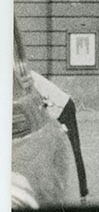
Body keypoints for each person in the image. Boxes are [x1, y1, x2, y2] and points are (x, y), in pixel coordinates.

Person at [30, 70, 88, 200]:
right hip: (53, 110)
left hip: (63, 108)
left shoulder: (24, 76)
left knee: (74, 150)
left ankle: (82, 191)